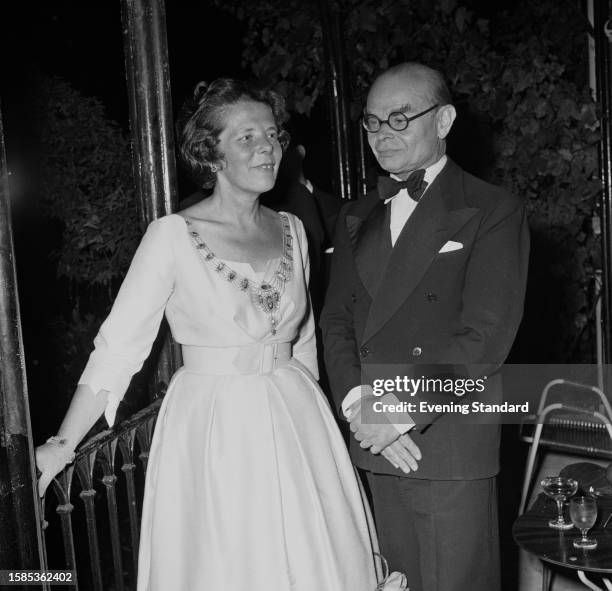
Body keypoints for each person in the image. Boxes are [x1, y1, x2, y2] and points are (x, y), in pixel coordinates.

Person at [35, 78, 381, 590]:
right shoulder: (171, 236)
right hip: (216, 427)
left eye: (273, 134)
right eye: (247, 137)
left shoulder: (293, 229)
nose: (267, 147)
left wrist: (317, 421)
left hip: (297, 418)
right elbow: (118, 348)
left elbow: (302, 336)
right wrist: (63, 444)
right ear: (210, 153)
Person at [321, 62, 529, 591]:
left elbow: (486, 336)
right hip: (373, 442)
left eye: (399, 118)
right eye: (371, 122)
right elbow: (337, 322)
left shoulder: (491, 209)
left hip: (445, 439)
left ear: (444, 120)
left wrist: (397, 411)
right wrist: (359, 407)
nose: (381, 135)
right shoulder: (356, 215)